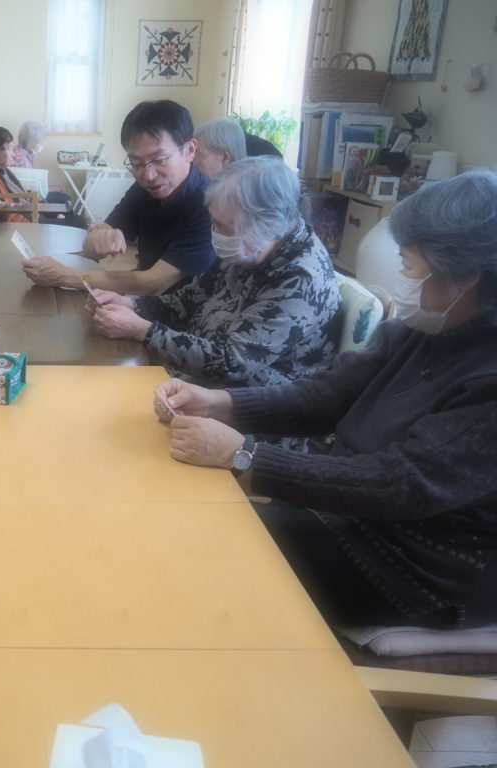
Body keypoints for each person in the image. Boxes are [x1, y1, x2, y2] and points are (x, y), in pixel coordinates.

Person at [154, 170, 497, 629]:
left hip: (410, 567)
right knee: (187, 520)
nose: (403, 278)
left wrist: (245, 455)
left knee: (201, 547)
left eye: (411, 266)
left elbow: (402, 483)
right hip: (348, 516)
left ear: (467, 276)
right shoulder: (421, 329)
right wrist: (220, 402)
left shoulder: (486, 381)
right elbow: (326, 397)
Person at [88, 157, 339, 394]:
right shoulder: (249, 246)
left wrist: (143, 331)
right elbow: (190, 298)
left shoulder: (301, 281)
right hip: (196, 372)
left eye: (223, 227)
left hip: (244, 402)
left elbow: (232, 362)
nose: (215, 233)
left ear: (267, 226)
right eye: (213, 222)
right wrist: (132, 304)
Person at [22, 99, 216, 294]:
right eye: (136, 163)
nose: (148, 175)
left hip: (188, 307)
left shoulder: (211, 206)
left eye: (159, 160)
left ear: (190, 151)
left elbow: (154, 283)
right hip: (146, 300)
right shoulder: (145, 190)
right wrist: (97, 239)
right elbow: (92, 244)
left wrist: (64, 275)